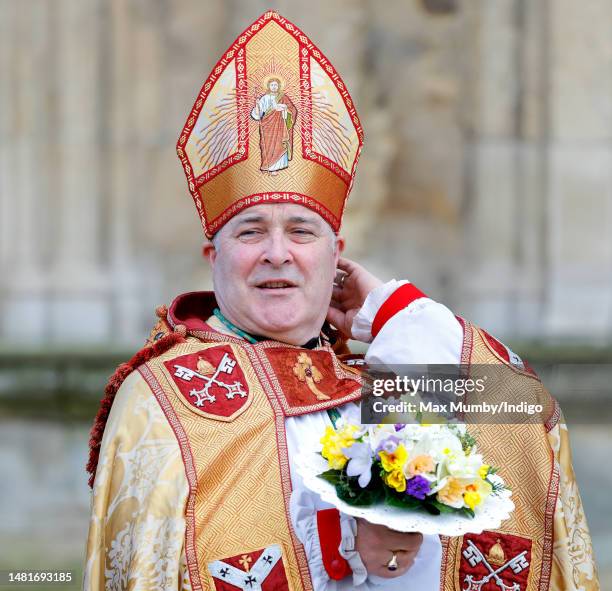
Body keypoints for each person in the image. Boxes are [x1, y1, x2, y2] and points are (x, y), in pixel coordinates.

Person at [83, 10, 599, 591]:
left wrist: (394, 310)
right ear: (214, 257)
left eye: (302, 232)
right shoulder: (165, 402)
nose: (277, 253)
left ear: (337, 258)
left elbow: (529, 415)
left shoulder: (381, 376)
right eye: (251, 231)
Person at [250, 77, 297, 174]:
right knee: (267, 146)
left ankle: (276, 168)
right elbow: (258, 115)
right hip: (267, 126)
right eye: (272, 85)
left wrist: (284, 109)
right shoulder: (265, 98)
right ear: (268, 86)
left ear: (279, 86)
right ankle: (267, 166)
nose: (274, 87)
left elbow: (293, 110)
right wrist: (257, 106)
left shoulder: (283, 97)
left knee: (279, 144)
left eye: (276, 85)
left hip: (280, 126)